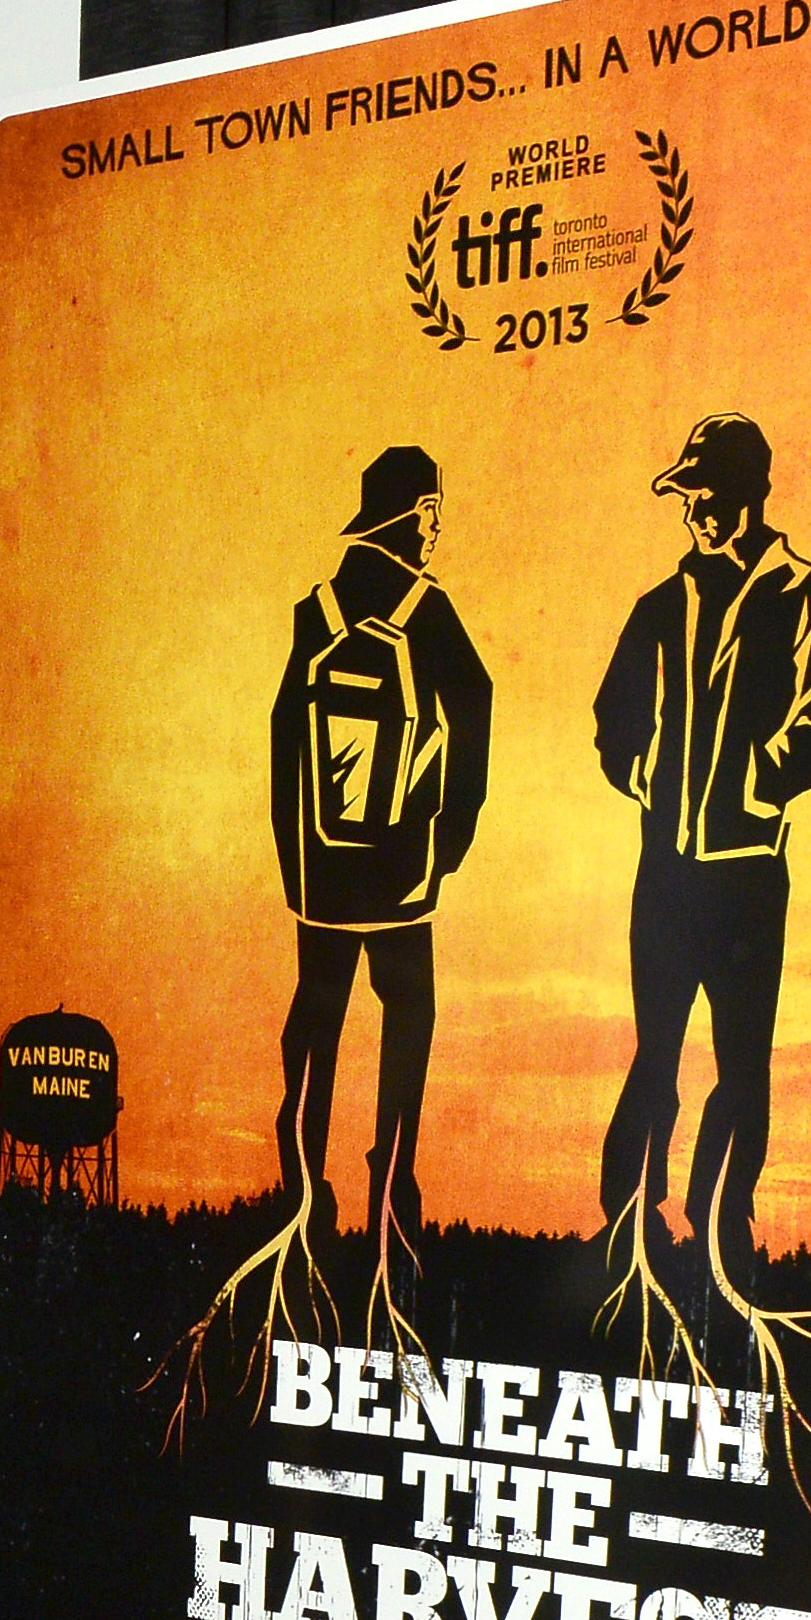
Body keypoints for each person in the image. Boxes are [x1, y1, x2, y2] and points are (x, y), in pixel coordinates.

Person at [592, 413, 811, 1293]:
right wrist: (640, 773)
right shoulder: (660, 606)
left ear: (748, 492)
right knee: (654, 1055)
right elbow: (612, 717)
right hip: (665, 874)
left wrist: (763, 781)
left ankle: (723, 1232)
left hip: (749, 875)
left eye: (704, 496)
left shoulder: (800, 594)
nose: (693, 515)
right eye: (686, 499)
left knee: (743, 1062)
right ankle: (629, 1228)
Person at [264, 443, 489, 1272]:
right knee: (409, 1024)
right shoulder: (425, 609)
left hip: (321, 878)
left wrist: (297, 866)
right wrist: (451, 837)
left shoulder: (313, 610)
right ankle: (391, 1200)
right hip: (402, 880)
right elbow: (478, 701)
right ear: (408, 516)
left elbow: (286, 740)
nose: (437, 530)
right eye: (431, 513)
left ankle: (300, 1199)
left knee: (315, 1027)